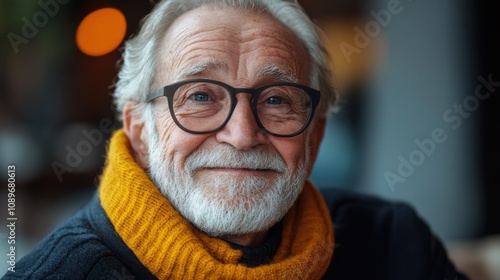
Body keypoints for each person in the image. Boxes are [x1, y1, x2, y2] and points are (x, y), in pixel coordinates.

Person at [3, 0, 468, 279]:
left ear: (317, 136)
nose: (243, 135)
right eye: (201, 95)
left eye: (277, 100)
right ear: (140, 130)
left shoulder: (392, 244)